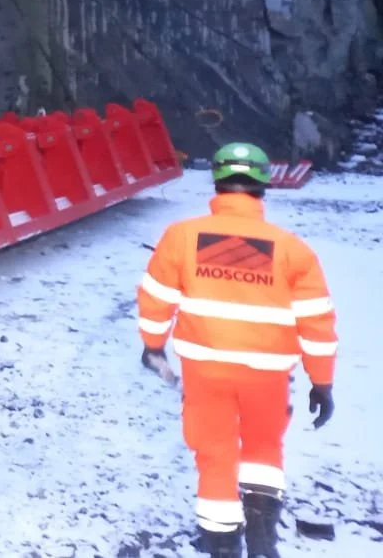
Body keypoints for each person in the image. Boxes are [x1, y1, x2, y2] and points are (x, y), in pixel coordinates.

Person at [137, 142, 337, 558]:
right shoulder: (292, 249)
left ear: (217, 181)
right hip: (267, 374)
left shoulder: (181, 237)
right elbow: (316, 321)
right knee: (264, 448)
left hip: (206, 370)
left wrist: (153, 346)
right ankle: (263, 543)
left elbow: (155, 298)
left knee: (215, 456)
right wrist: (322, 382)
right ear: (264, 185)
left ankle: (223, 548)